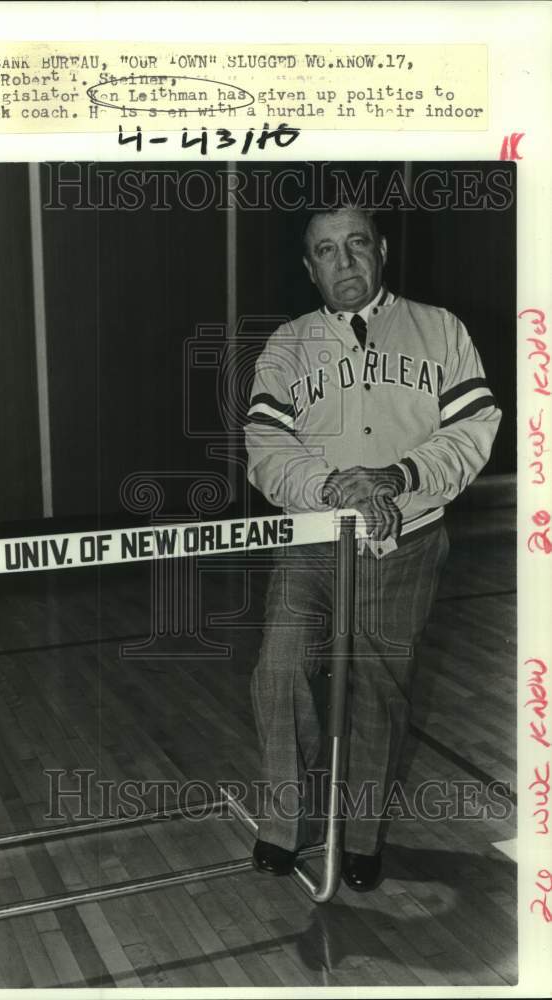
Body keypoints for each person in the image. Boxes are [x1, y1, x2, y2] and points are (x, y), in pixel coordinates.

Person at [244, 204, 501, 891]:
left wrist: (396, 477)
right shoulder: (287, 346)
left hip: (407, 539)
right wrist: (334, 489)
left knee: (379, 691)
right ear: (309, 267)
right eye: (326, 250)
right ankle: (284, 822)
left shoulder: (440, 329)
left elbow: (474, 429)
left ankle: (358, 839)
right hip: (312, 538)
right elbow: (266, 448)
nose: (345, 261)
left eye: (356, 243)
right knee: (281, 669)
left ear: (381, 249)